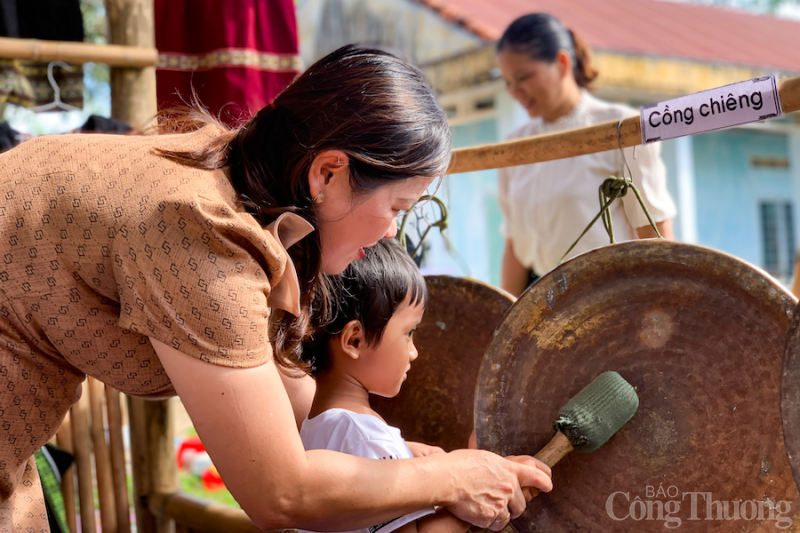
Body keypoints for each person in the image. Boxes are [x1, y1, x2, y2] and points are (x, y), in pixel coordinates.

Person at [0, 45, 553, 533]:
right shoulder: (197, 234)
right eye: (396, 208)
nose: (391, 232)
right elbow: (281, 493)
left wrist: (402, 460)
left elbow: (289, 408)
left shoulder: (230, 183)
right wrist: (446, 478)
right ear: (327, 175)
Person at [299, 238, 484, 533]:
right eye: (408, 333)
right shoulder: (366, 437)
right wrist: (470, 484)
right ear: (354, 340)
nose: (414, 352)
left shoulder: (313, 425)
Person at [495, 14, 677, 296]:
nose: (514, 92)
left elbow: (652, 228)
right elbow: (515, 244)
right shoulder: (514, 146)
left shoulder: (621, 129)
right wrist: (505, 321)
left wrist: (662, 306)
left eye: (523, 77)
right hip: (540, 303)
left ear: (562, 64)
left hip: (610, 296)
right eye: (507, 82)